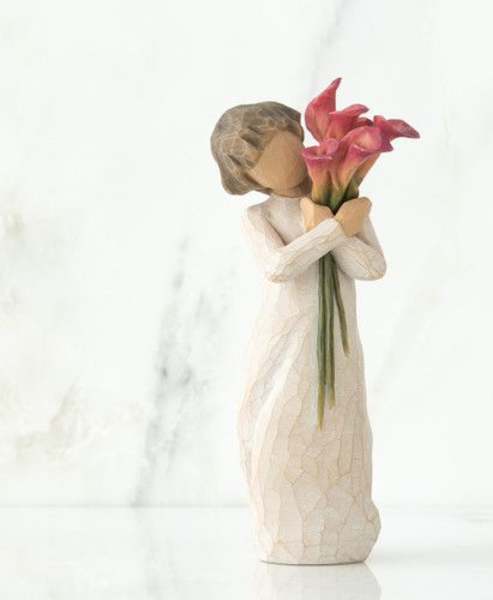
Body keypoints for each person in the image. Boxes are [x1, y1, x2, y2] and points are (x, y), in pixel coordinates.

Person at [211, 101, 385, 564]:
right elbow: (278, 267)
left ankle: (346, 527)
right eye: (263, 165)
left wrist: (338, 223)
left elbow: (372, 267)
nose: (286, 167)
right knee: (275, 429)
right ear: (248, 179)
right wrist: (331, 230)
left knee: (340, 431)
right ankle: (281, 529)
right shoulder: (259, 217)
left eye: (286, 150)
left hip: (338, 345)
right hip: (285, 341)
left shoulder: (339, 197)